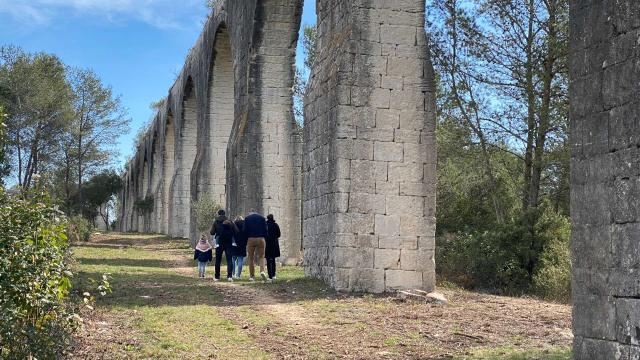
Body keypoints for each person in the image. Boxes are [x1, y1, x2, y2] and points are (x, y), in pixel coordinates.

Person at [210, 209, 238, 282]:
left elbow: (212, 232)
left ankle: (217, 276)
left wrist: (218, 231)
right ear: (224, 214)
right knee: (229, 260)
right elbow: (236, 231)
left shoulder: (216, 221)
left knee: (218, 260)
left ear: (218, 214)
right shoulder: (230, 221)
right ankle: (229, 276)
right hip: (229, 243)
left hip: (219, 243)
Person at [244, 209, 268, 281]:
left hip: (251, 239)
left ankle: (252, 276)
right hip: (261, 238)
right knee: (262, 257)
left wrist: (246, 240)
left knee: (251, 257)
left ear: (250, 213)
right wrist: (264, 238)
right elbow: (266, 230)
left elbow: (244, 230)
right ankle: (262, 271)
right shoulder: (262, 218)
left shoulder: (247, 218)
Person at [265, 214, 281, 281]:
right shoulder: (276, 225)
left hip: (267, 244)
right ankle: (274, 275)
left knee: (268, 260)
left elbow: (264, 234)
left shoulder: (265, 225)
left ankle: (270, 276)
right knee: (273, 260)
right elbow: (279, 234)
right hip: (274, 243)